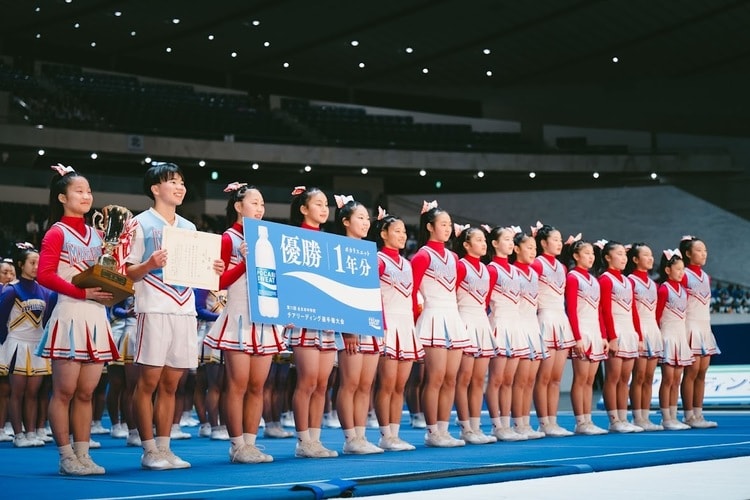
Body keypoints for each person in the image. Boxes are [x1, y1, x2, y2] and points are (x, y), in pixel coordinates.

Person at [125, 162, 225, 470]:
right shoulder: (139, 223)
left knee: (172, 384)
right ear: (155, 189)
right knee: (148, 382)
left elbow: (196, 274)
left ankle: (165, 447)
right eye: (172, 182)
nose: (180, 187)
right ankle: (148, 449)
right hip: (154, 306)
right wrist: (149, 264)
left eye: (181, 182)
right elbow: (127, 272)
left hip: (184, 309)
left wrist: (213, 269)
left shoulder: (189, 227)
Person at [36, 163, 118, 475]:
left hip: (96, 316)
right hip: (71, 312)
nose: (86, 196)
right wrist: (82, 293)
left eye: (89, 191)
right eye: (79, 191)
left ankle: (83, 454)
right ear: (62, 197)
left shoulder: (99, 235)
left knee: (86, 393)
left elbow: (110, 272)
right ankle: (66, 457)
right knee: (64, 392)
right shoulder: (56, 232)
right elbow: (45, 275)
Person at [204, 182, 284, 463]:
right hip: (238, 316)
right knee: (237, 385)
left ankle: (250, 443)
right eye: (254, 203)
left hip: (264, 317)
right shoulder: (228, 238)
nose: (260, 209)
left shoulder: (268, 238)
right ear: (238, 206)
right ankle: (237, 445)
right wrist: (244, 263)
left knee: (257, 386)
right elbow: (218, 283)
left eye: (262, 204)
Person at [328, 195, 384, 455]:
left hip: (369, 324)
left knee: (365, 384)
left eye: (367, 218)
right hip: (349, 327)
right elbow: (336, 292)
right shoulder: (336, 249)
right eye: (360, 218)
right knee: (349, 383)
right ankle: (350, 438)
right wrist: (347, 329)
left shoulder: (370, 251)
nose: (365, 222)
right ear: (345, 221)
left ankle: (361, 436)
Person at [285, 186, 338, 458]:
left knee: (322, 383)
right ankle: (302, 440)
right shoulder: (291, 239)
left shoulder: (331, 243)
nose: (324, 208)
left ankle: (315, 440)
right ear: (303, 208)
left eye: (326, 203)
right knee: (306, 381)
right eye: (318, 203)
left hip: (326, 322)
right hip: (303, 320)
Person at [411, 201, 469, 447]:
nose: (447, 229)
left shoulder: (455, 257)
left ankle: (444, 430)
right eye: (443, 224)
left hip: (452, 318)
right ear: (430, 226)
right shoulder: (422, 256)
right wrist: (414, 323)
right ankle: (432, 432)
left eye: (449, 224)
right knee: (434, 378)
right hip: (432, 318)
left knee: (451, 379)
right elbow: (412, 292)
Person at [373, 210, 420, 451]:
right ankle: (385, 435)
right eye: (397, 231)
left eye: (404, 232)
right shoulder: (378, 260)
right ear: (384, 234)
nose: (402, 236)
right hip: (387, 326)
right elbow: (373, 296)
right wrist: (381, 328)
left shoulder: (408, 264)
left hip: (406, 326)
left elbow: (412, 299)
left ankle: (395, 433)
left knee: (400, 386)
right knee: (387, 384)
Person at [0, 242, 53, 447]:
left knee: (33, 393)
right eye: (32, 263)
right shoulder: (11, 290)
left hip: (36, 345)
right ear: (21, 265)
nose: (36, 267)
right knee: (17, 392)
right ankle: (18, 435)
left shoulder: (44, 291)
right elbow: (1, 319)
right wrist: (5, 345)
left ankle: (31, 432)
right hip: (17, 345)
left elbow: (46, 321)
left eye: (39, 263)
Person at [530, 223, 575, 437]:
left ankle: (553, 421)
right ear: (543, 242)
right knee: (544, 376)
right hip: (544, 319)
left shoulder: (562, 267)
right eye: (555, 240)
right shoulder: (537, 264)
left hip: (560, 320)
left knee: (556, 377)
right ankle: (543, 422)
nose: (559, 243)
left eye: (560, 240)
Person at [485, 226, 528, 442]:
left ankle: (507, 423)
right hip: (499, 323)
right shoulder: (491, 269)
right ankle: (497, 425)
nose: (511, 243)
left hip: (515, 325)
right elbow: (484, 302)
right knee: (496, 379)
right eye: (506, 240)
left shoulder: (515, 271)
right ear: (494, 243)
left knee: (509, 380)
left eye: (512, 240)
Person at [453, 225, 496, 444]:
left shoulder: (487, 270)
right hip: (464, 320)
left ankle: (476, 426)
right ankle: (465, 427)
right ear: (466, 245)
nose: (483, 244)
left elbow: (486, 301)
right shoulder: (460, 266)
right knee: (464, 378)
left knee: (479, 379)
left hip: (481, 322)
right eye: (478, 240)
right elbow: (451, 294)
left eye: (484, 240)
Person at [597, 240, 643, 433]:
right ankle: (614, 420)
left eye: (624, 254)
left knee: (625, 379)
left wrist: (639, 336)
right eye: (619, 254)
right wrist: (611, 337)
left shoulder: (627, 281)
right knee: (613, 377)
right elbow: (604, 310)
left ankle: (623, 418)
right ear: (608, 257)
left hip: (629, 331)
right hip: (615, 332)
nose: (623, 258)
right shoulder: (605, 279)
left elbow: (633, 311)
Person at [564, 238, 608, 435]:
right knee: (581, 378)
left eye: (592, 254)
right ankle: (580, 422)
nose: (591, 257)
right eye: (586, 253)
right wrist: (577, 337)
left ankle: (588, 419)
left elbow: (599, 311)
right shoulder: (573, 277)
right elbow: (571, 309)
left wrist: (603, 335)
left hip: (595, 331)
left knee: (590, 380)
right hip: (581, 330)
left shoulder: (594, 280)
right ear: (576, 256)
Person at [679, 236, 720, 428]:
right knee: (692, 372)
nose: (704, 254)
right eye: (699, 250)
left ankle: (699, 414)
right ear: (688, 253)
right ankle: (688, 416)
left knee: (702, 373)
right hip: (690, 325)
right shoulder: (684, 275)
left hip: (705, 326)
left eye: (705, 250)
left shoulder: (706, 276)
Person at [511, 230, 547, 439]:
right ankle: (517, 422)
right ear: (516, 249)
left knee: (530, 380)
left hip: (533, 326)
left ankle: (525, 422)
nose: (533, 252)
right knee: (520, 379)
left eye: (535, 248)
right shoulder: (513, 272)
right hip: (519, 326)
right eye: (529, 248)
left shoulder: (533, 273)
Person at [626, 243, 664, 431]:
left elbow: (657, 313)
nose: (650, 258)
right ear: (635, 259)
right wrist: (638, 335)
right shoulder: (630, 281)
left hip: (653, 330)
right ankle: (637, 417)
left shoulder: (654, 284)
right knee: (639, 376)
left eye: (651, 255)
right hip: (638, 330)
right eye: (646, 255)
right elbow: (631, 311)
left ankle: (646, 417)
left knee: (649, 376)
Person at [656, 249, 693, 430]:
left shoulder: (684, 290)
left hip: (680, 336)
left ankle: (674, 415)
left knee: (677, 379)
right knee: (668, 379)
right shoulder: (664, 289)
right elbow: (657, 315)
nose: (681, 273)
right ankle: (666, 418)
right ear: (667, 270)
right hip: (668, 335)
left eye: (683, 269)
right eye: (677, 269)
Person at [194, 287, 228, 440]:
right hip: (211, 336)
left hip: (230, 336)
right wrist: (221, 317)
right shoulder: (205, 284)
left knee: (226, 386)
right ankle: (212, 426)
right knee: (214, 385)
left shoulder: (232, 285)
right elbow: (199, 309)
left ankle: (224, 425)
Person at [108, 296, 141, 446]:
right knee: (121, 385)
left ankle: (135, 425)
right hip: (123, 334)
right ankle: (123, 427)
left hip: (148, 333)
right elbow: (115, 308)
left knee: (143, 386)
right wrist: (127, 312)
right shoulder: (127, 284)